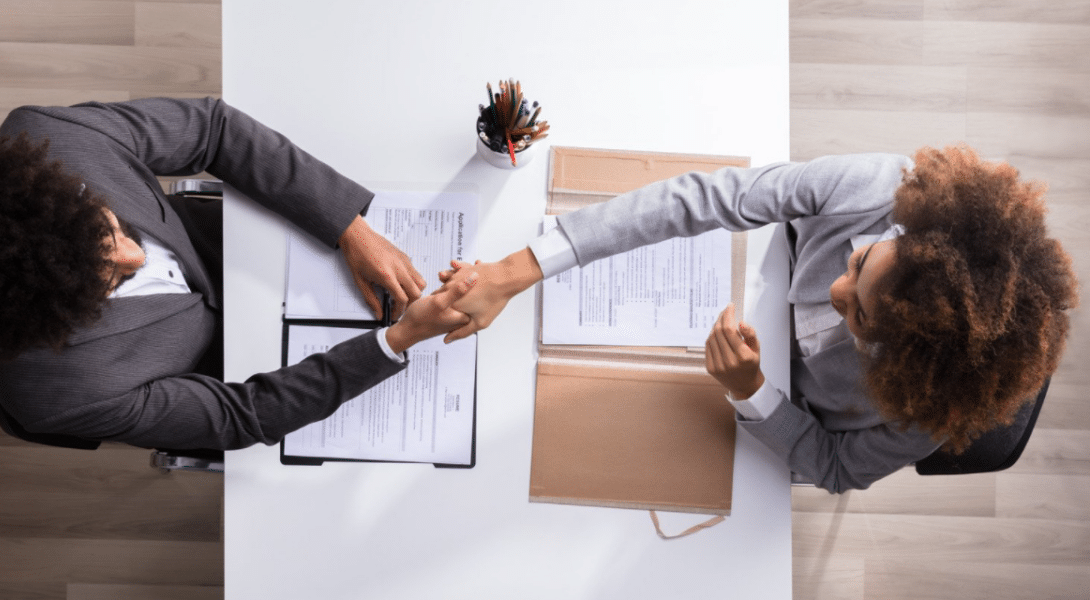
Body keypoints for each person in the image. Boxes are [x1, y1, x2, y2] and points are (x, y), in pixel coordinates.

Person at [435, 146, 1078, 493]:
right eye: (861, 259)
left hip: (751, 418)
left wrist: (753, 393)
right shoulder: (878, 186)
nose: (834, 286)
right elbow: (714, 197)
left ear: (908, 361)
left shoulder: (931, 411)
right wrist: (518, 270)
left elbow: (835, 468)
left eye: (858, 315)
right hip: (728, 277)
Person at [0, 97, 478, 451]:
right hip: (236, 366)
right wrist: (397, 342)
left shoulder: (55, 140)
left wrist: (347, 226)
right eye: (107, 280)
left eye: (109, 229)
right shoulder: (57, 392)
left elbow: (213, 129)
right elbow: (238, 415)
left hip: (249, 243)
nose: (136, 257)